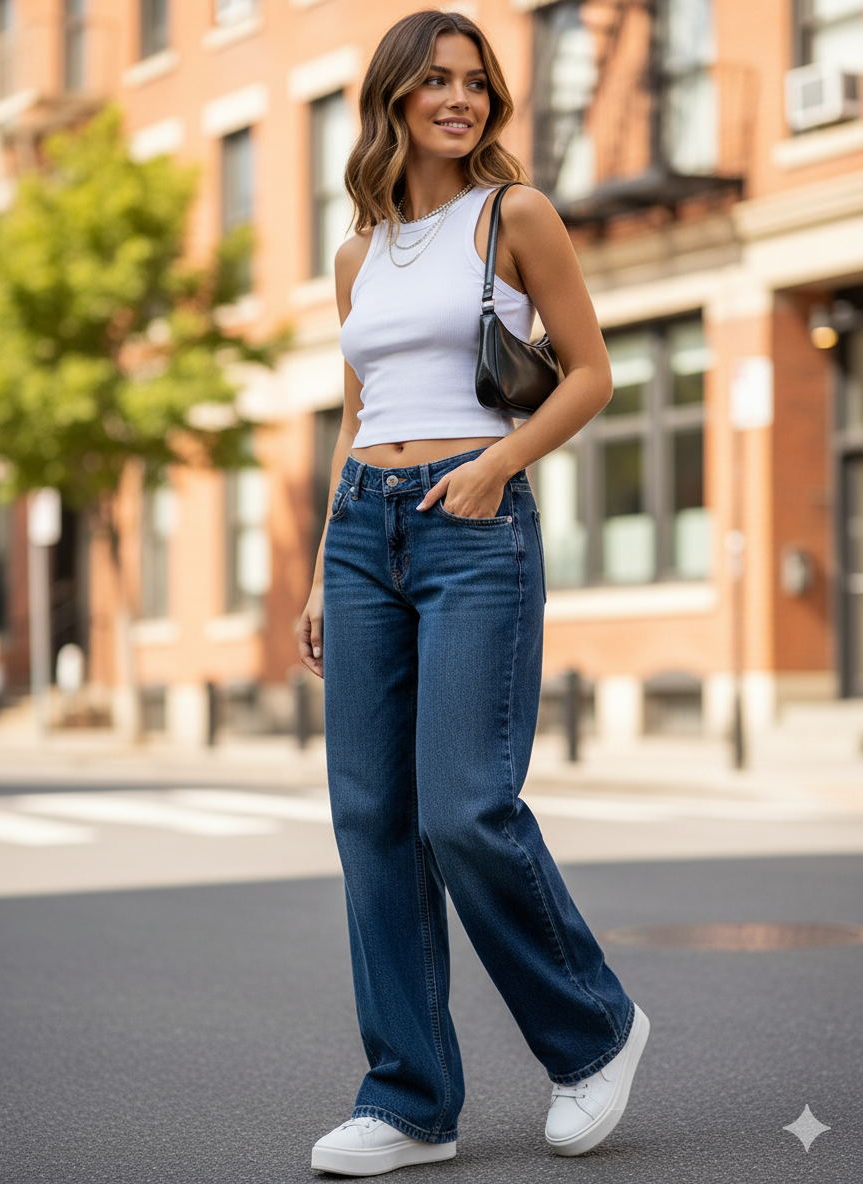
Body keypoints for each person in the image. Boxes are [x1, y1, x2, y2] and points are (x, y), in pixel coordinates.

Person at [296, 10, 649, 1177]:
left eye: (477, 82)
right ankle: (410, 1099)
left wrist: (498, 464)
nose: (461, 99)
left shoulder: (516, 215)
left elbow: (589, 373)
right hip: (364, 529)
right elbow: (357, 413)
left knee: (464, 807)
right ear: (393, 97)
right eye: (437, 80)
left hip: (474, 523)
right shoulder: (357, 254)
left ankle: (594, 1031)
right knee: (371, 821)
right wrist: (321, 565)